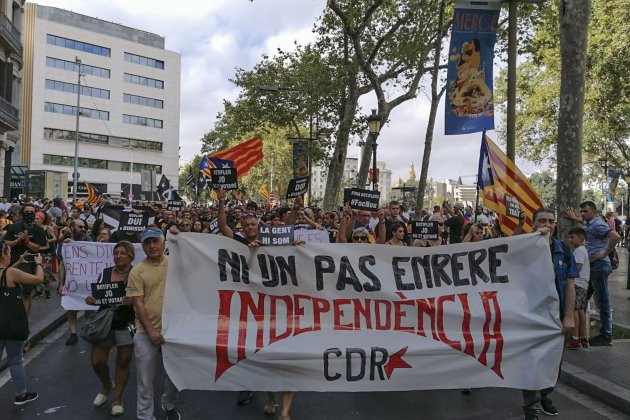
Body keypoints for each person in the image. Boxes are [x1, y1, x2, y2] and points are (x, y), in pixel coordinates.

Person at [521, 207, 576, 420]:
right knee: (531, 363)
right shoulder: (523, 248)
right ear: (533, 224)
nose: (547, 224)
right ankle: (531, 408)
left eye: (551, 221)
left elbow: (570, 284)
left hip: (556, 317)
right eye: (542, 220)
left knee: (553, 365)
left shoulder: (563, 249)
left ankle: (545, 393)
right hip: (530, 317)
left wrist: (569, 316)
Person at [126, 227, 180, 420]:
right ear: (143, 246)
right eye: (147, 243)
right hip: (145, 333)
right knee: (145, 381)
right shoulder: (137, 271)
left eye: (155, 241)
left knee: (176, 376)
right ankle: (145, 416)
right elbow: (138, 305)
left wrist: (178, 234)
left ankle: (169, 404)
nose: (152, 246)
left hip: (173, 330)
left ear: (164, 243)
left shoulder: (174, 264)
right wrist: (151, 332)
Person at [85, 241, 136, 416]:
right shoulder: (105, 273)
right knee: (97, 361)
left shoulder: (136, 273)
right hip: (104, 322)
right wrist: (90, 299)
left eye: (123, 253)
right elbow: (95, 294)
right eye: (116, 253)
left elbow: (144, 295)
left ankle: (117, 398)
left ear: (131, 256)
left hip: (126, 322)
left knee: (123, 361)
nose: (119, 256)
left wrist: (134, 301)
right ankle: (107, 384)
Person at [564, 201, 620, 346]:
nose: (582, 214)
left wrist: (604, 253)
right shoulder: (591, 223)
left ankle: (606, 335)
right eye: (581, 211)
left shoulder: (597, 224)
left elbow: (615, 236)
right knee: (580, 303)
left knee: (602, 302)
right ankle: (582, 337)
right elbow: (585, 223)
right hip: (594, 268)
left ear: (594, 212)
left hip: (599, 266)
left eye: (585, 211)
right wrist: (575, 218)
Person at [0, 242, 44, 406]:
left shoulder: (9, 272)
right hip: (12, 324)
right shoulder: (11, 273)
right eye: (9, 252)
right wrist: (39, 263)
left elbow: (5, 274)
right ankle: (21, 394)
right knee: (15, 360)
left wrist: (18, 262)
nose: (10, 255)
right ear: (4, 254)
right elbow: (38, 279)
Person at [2, 204, 48, 314]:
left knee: (26, 293)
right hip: (13, 262)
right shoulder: (13, 227)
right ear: (22, 213)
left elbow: (37, 248)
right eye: (26, 211)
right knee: (10, 291)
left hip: (29, 264)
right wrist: (17, 241)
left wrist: (26, 241)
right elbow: (6, 243)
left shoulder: (39, 230)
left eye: (31, 212)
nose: (29, 214)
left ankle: (23, 318)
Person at [58, 218, 92, 345]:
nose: (83, 229)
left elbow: (90, 254)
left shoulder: (87, 239)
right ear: (72, 228)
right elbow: (62, 264)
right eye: (80, 227)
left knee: (90, 306)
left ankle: (89, 330)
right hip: (71, 280)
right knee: (71, 307)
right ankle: (73, 333)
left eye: (84, 227)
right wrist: (61, 284)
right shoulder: (64, 243)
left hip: (87, 279)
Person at [565, 227, 590, 349]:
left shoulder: (579, 251)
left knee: (573, 310)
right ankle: (584, 338)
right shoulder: (582, 249)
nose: (570, 240)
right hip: (583, 284)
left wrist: (567, 272)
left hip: (577, 284)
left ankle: (575, 339)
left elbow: (578, 267)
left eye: (572, 237)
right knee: (580, 311)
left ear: (581, 238)